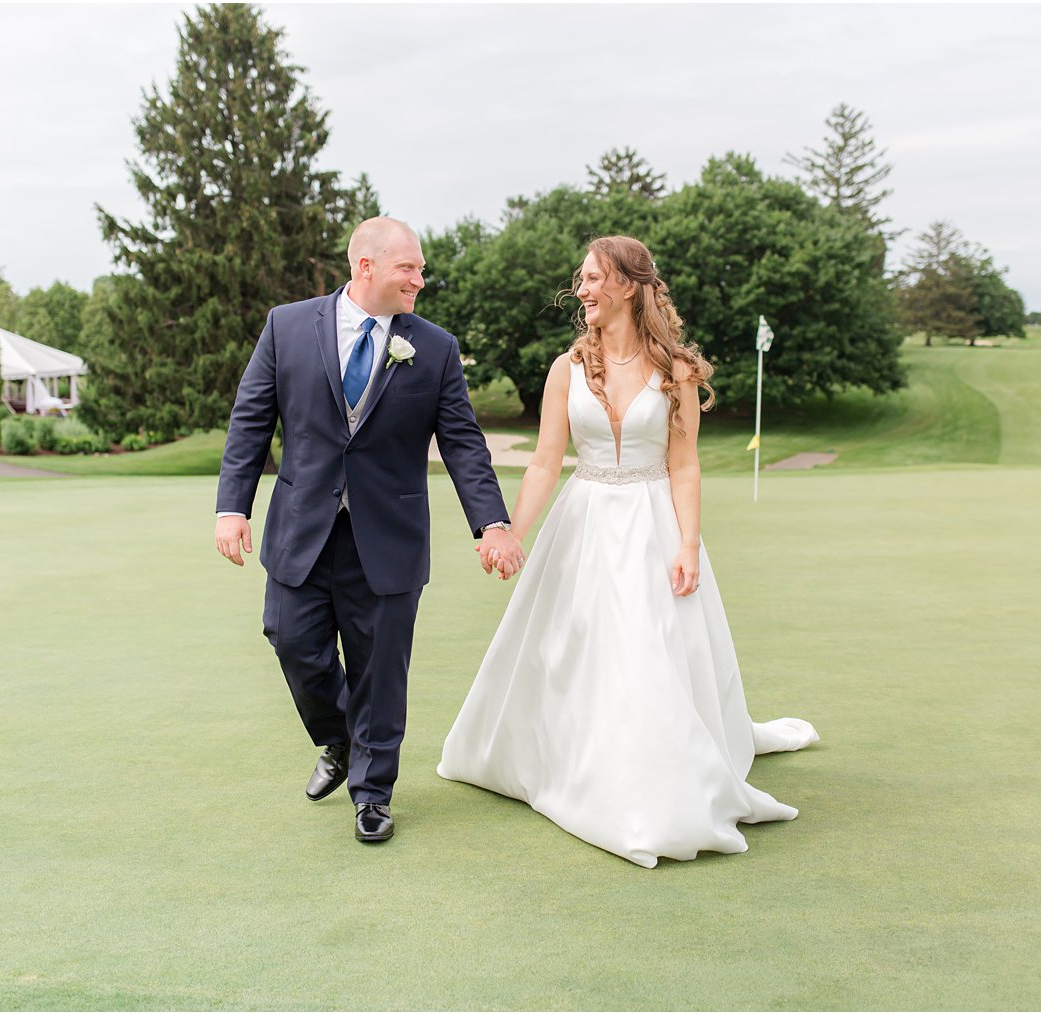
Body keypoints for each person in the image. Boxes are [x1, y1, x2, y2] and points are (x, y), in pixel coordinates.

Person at [437, 235, 818, 868]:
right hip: (582, 521)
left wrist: (688, 544)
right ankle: (572, 759)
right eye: (581, 279)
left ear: (629, 286)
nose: (581, 289)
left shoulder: (677, 372)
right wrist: (510, 532)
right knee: (575, 645)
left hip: (652, 525)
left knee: (646, 648)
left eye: (592, 278)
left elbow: (686, 467)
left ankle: (652, 779)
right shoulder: (566, 368)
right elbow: (543, 462)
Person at [215, 217, 524, 845]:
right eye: (408, 268)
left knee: (381, 669)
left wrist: (492, 521)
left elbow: (463, 443)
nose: (419, 279)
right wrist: (232, 507)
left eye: (420, 269)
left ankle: (372, 794)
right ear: (366, 267)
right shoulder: (287, 326)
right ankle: (338, 737)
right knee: (290, 639)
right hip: (302, 529)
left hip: (389, 538)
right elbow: (252, 419)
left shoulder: (433, 347)